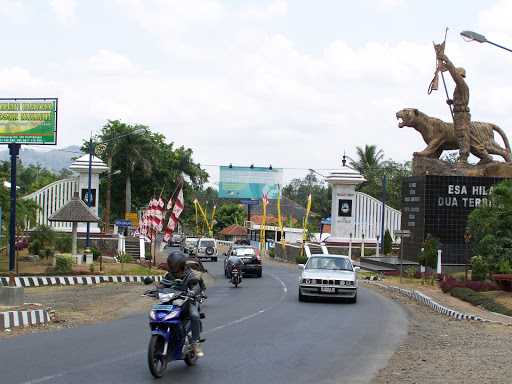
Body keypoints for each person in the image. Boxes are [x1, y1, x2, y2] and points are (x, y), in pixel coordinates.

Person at [160, 250, 204, 358]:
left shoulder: (189, 274)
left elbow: (196, 285)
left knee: (194, 315)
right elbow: (162, 285)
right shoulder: (169, 275)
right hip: (172, 301)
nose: (174, 267)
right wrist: (154, 290)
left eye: (175, 265)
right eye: (172, 265)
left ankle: (195, 343)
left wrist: (193, 291)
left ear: (181, 264)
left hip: (188, 301)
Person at [437, 51, 472, 163]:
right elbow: (462, 100)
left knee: (462, 134)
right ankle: (463, 155)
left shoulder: (462, 84)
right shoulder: (458, 87)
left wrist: (446, 60)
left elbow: (454, 76)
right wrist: (452, 102)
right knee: (459, 134)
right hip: (458, 113)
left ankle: (464, 157)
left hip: (462, 114)